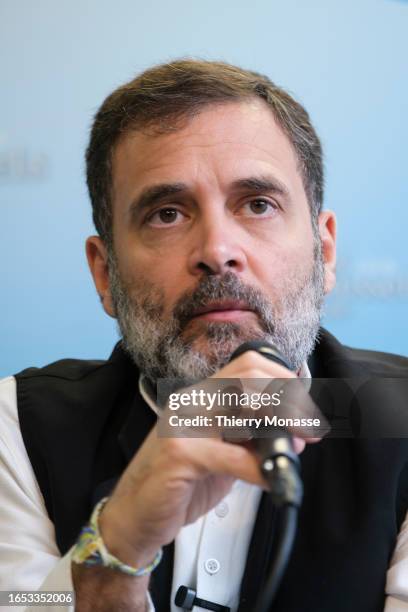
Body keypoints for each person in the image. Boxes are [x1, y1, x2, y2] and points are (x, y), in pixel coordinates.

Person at [0, 59, 407, 612]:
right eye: (167, 214)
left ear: (324, 251)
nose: (217, 250)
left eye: (258, 204)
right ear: (105, 274)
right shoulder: (18, 429)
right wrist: (116, 547)